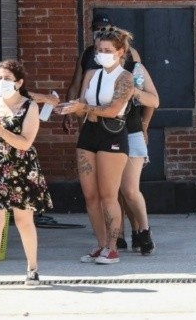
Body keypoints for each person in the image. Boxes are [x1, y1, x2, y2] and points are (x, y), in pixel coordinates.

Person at [0, 60, 53, 290]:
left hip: (22, 169)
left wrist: (1, 131)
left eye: (8, 78)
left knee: (23, 220)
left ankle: (32, 269)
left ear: (19, 82)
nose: (2, 82)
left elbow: (25, 143)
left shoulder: (29, 107)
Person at [56, 26, 134, 264]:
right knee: (90, 195)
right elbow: (81, 102)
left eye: (108, 50)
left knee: (109, 194)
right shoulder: (91, 73)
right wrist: (68, 109)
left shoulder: (125, 77)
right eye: (99, 50)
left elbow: (112, 110)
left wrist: (83, 108)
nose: (102, 53)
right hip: (88, 133)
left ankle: (113, 246)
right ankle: (101, 244)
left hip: (112, 134)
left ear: (120, 52)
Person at [63, 15, 141, 134]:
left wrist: (144, 124)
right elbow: (75, 86)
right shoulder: (87, 54)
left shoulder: (131, 54)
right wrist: (68, 111)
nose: (100, 31)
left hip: (123, 119)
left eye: (104, 28)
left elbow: (140, 84)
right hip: (90, 121)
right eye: (97, 28)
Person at [118, 52, 159, 255]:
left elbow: (153, 101)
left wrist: (144, 126)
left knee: (129, 190)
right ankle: (118, 235)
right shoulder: (93, 66)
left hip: (131, 131)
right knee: (113, 192)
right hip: (106, 133)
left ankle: (143, 230)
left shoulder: (135, 68)